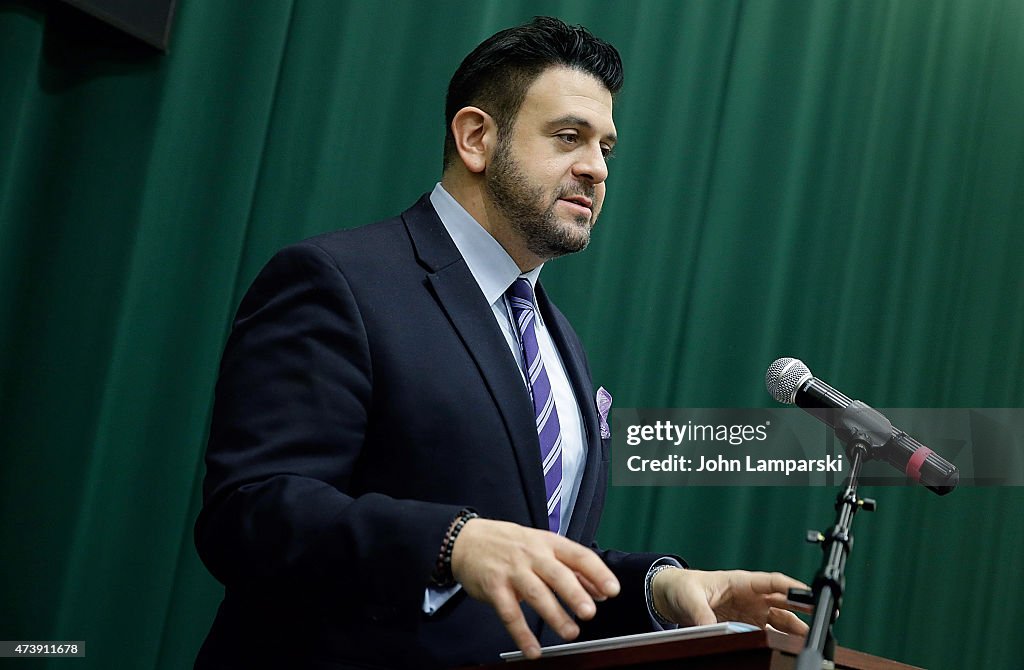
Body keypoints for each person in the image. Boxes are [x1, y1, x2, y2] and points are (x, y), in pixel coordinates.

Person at [194, 16, 808, 669]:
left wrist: (660, 589)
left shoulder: (555, 336)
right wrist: (451, 543)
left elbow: (528, 558)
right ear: (476, 137)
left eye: (607, 148)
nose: (596, 169)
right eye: (569, 137)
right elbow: (250, 513)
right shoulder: (338, 282)